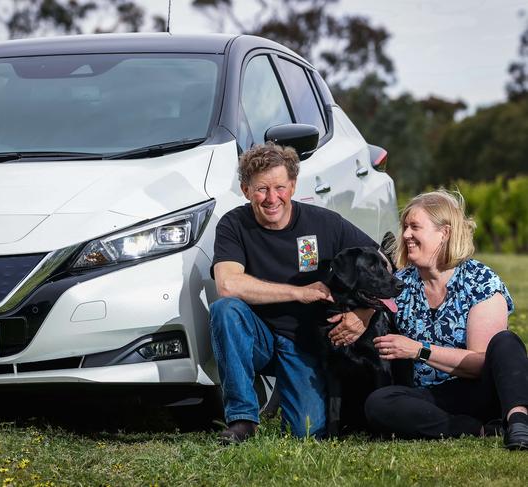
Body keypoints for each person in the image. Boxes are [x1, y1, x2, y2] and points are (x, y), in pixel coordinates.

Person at [209, 142, 378, 443]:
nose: (272, 198)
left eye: (280, 187)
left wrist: (364, 313)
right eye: (261, 189)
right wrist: (297, 292)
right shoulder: (233, 224)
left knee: (307, 432)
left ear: (293, 185)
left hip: (304, 343)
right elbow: (228, 284)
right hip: (256, 335)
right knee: (226, 310)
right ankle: (243, 420)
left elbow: (380, 261)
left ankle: (290, 396)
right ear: (245, 189)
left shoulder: (324, 223)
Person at [365, 190, 528, 449]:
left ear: (445, 233)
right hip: (432, 397)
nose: (406, 235)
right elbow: (368, 309)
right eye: (405, 227)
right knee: (379, 403)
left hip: (483, 391)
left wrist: (419, 351)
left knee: (506, 342)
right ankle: (476, 429)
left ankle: (518, 421)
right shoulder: (402, 284)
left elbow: (480, 364)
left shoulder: (480, 281)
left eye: (415, 227)